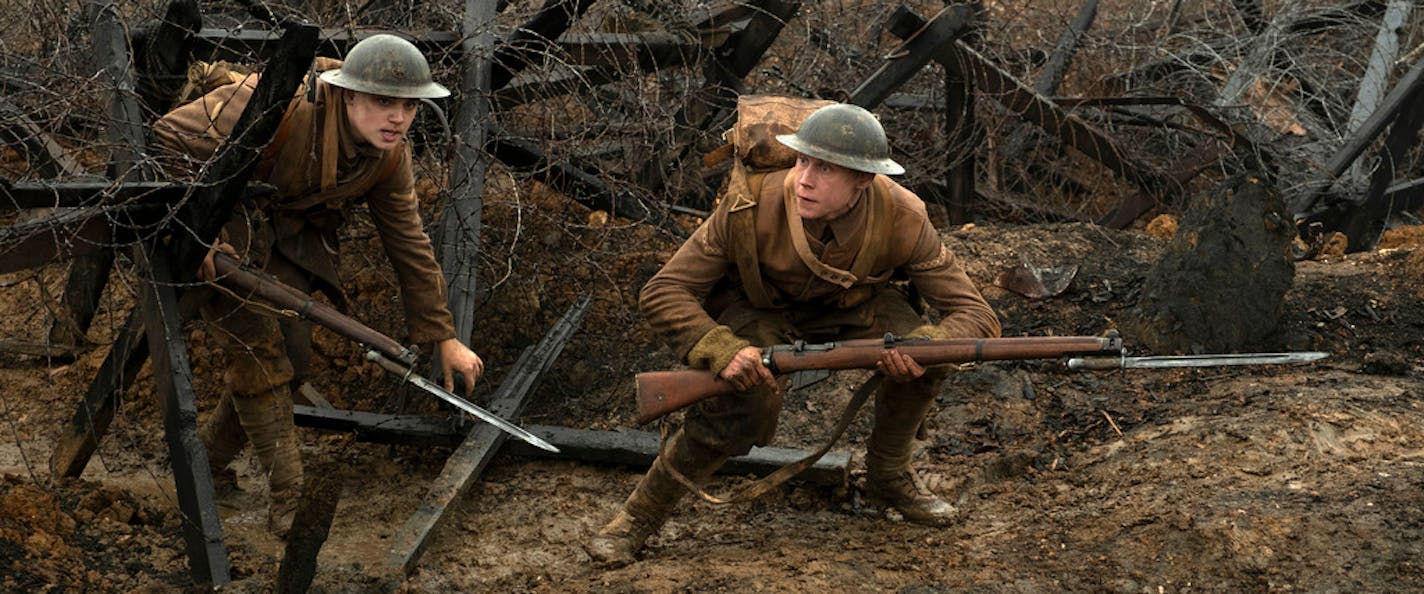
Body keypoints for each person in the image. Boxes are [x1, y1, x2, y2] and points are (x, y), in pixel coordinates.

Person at [586, 102, 1002, 566]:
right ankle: (637, 518)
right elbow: (665, 289)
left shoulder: (903, 215)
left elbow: (972, 312)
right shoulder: (749, 205)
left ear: (863, 180)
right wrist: (722, 349)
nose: (804, 178)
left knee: (932, 356)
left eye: (825, 168)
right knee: (739, 401)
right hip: (764, 308)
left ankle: (888, 476)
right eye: (803, 160)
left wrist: (924, 346)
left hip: (859, 308)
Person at [152, 34, 484, 537]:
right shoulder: (271, 102)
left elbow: (410, 244)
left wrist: (444, 337)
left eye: (409, 106)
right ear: (348, 95)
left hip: (280, 236)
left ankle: (206, 467)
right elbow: (166, 138)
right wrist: (201, 232)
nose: (398, 117)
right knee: (257, 354)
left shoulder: (390, 157)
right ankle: (291, 502)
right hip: (216, 228)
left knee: (295, 358)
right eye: (382, 102)